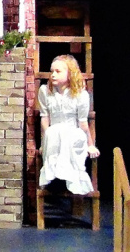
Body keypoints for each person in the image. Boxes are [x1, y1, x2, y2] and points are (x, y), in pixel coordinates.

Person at [37, 54, 99, 195]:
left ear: (70, 74)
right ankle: (54, 177)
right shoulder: (45, 92)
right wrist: (44, 142)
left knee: (66, 135)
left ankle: (70, 179)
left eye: (58, 72)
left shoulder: (80, 95)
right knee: (54, 133)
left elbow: (82, 123)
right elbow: (45, 119)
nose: (53, 75)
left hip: (73, 133)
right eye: (52, 71)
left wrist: (90, 144)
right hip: (53, 135)